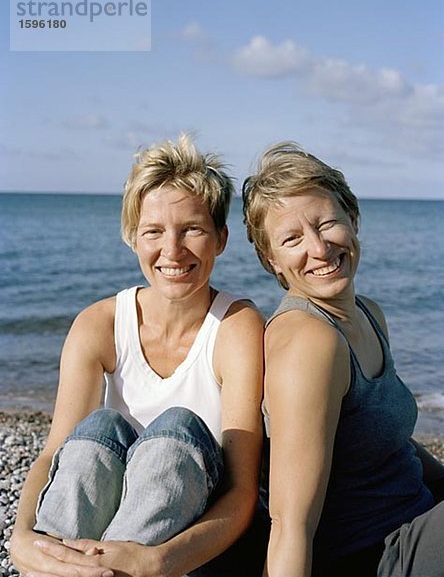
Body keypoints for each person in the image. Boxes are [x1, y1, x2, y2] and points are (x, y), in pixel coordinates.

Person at [11, 134, 266, 577]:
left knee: (175, 431)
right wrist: (22, 538)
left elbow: (242, 492)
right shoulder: (99, 325)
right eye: (154, 231)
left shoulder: (236, 326)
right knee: (101, 430)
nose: (172, 250)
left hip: (198, 549)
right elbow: (56, 452)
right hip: (106, 538)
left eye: (192, 229)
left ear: (221, 238)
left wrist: (157, 561)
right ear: (132, 238)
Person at [242, 142, 444, 577]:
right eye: (292, 239)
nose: (318, 248)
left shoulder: (369, 312)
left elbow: (387, 442)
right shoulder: (309, 342)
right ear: (271, 260)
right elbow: (290, 523)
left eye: (326, 223)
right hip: (375, 556)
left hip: (417, 523)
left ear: (352, 219)